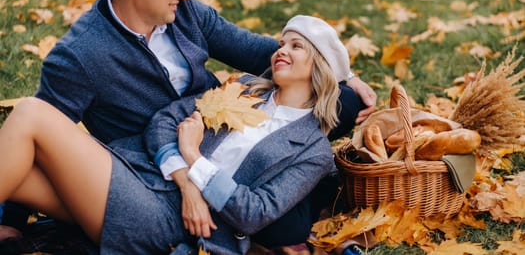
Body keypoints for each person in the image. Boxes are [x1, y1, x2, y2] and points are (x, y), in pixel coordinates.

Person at [1, 0, 376, 247]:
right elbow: (37, 135)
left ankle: (295, 199)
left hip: (193, 166)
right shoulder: (82, 55)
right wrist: (12, 222)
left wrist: (342, 72)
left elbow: (255, 48)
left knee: (346, 101)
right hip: (138, 176)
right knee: (33, 116)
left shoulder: (184, 12)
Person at [0, 15, 361, 254]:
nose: (281, 49)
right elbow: (163, 121)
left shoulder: (313, 152)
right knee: (16, 172)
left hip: (171, 218)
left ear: (321, 68)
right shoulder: (246, 89)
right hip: (142, 174)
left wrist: (196, 159)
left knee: (33, 113)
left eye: (296, 46)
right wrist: (183, 172)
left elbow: (256, 212)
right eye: (283, 43)